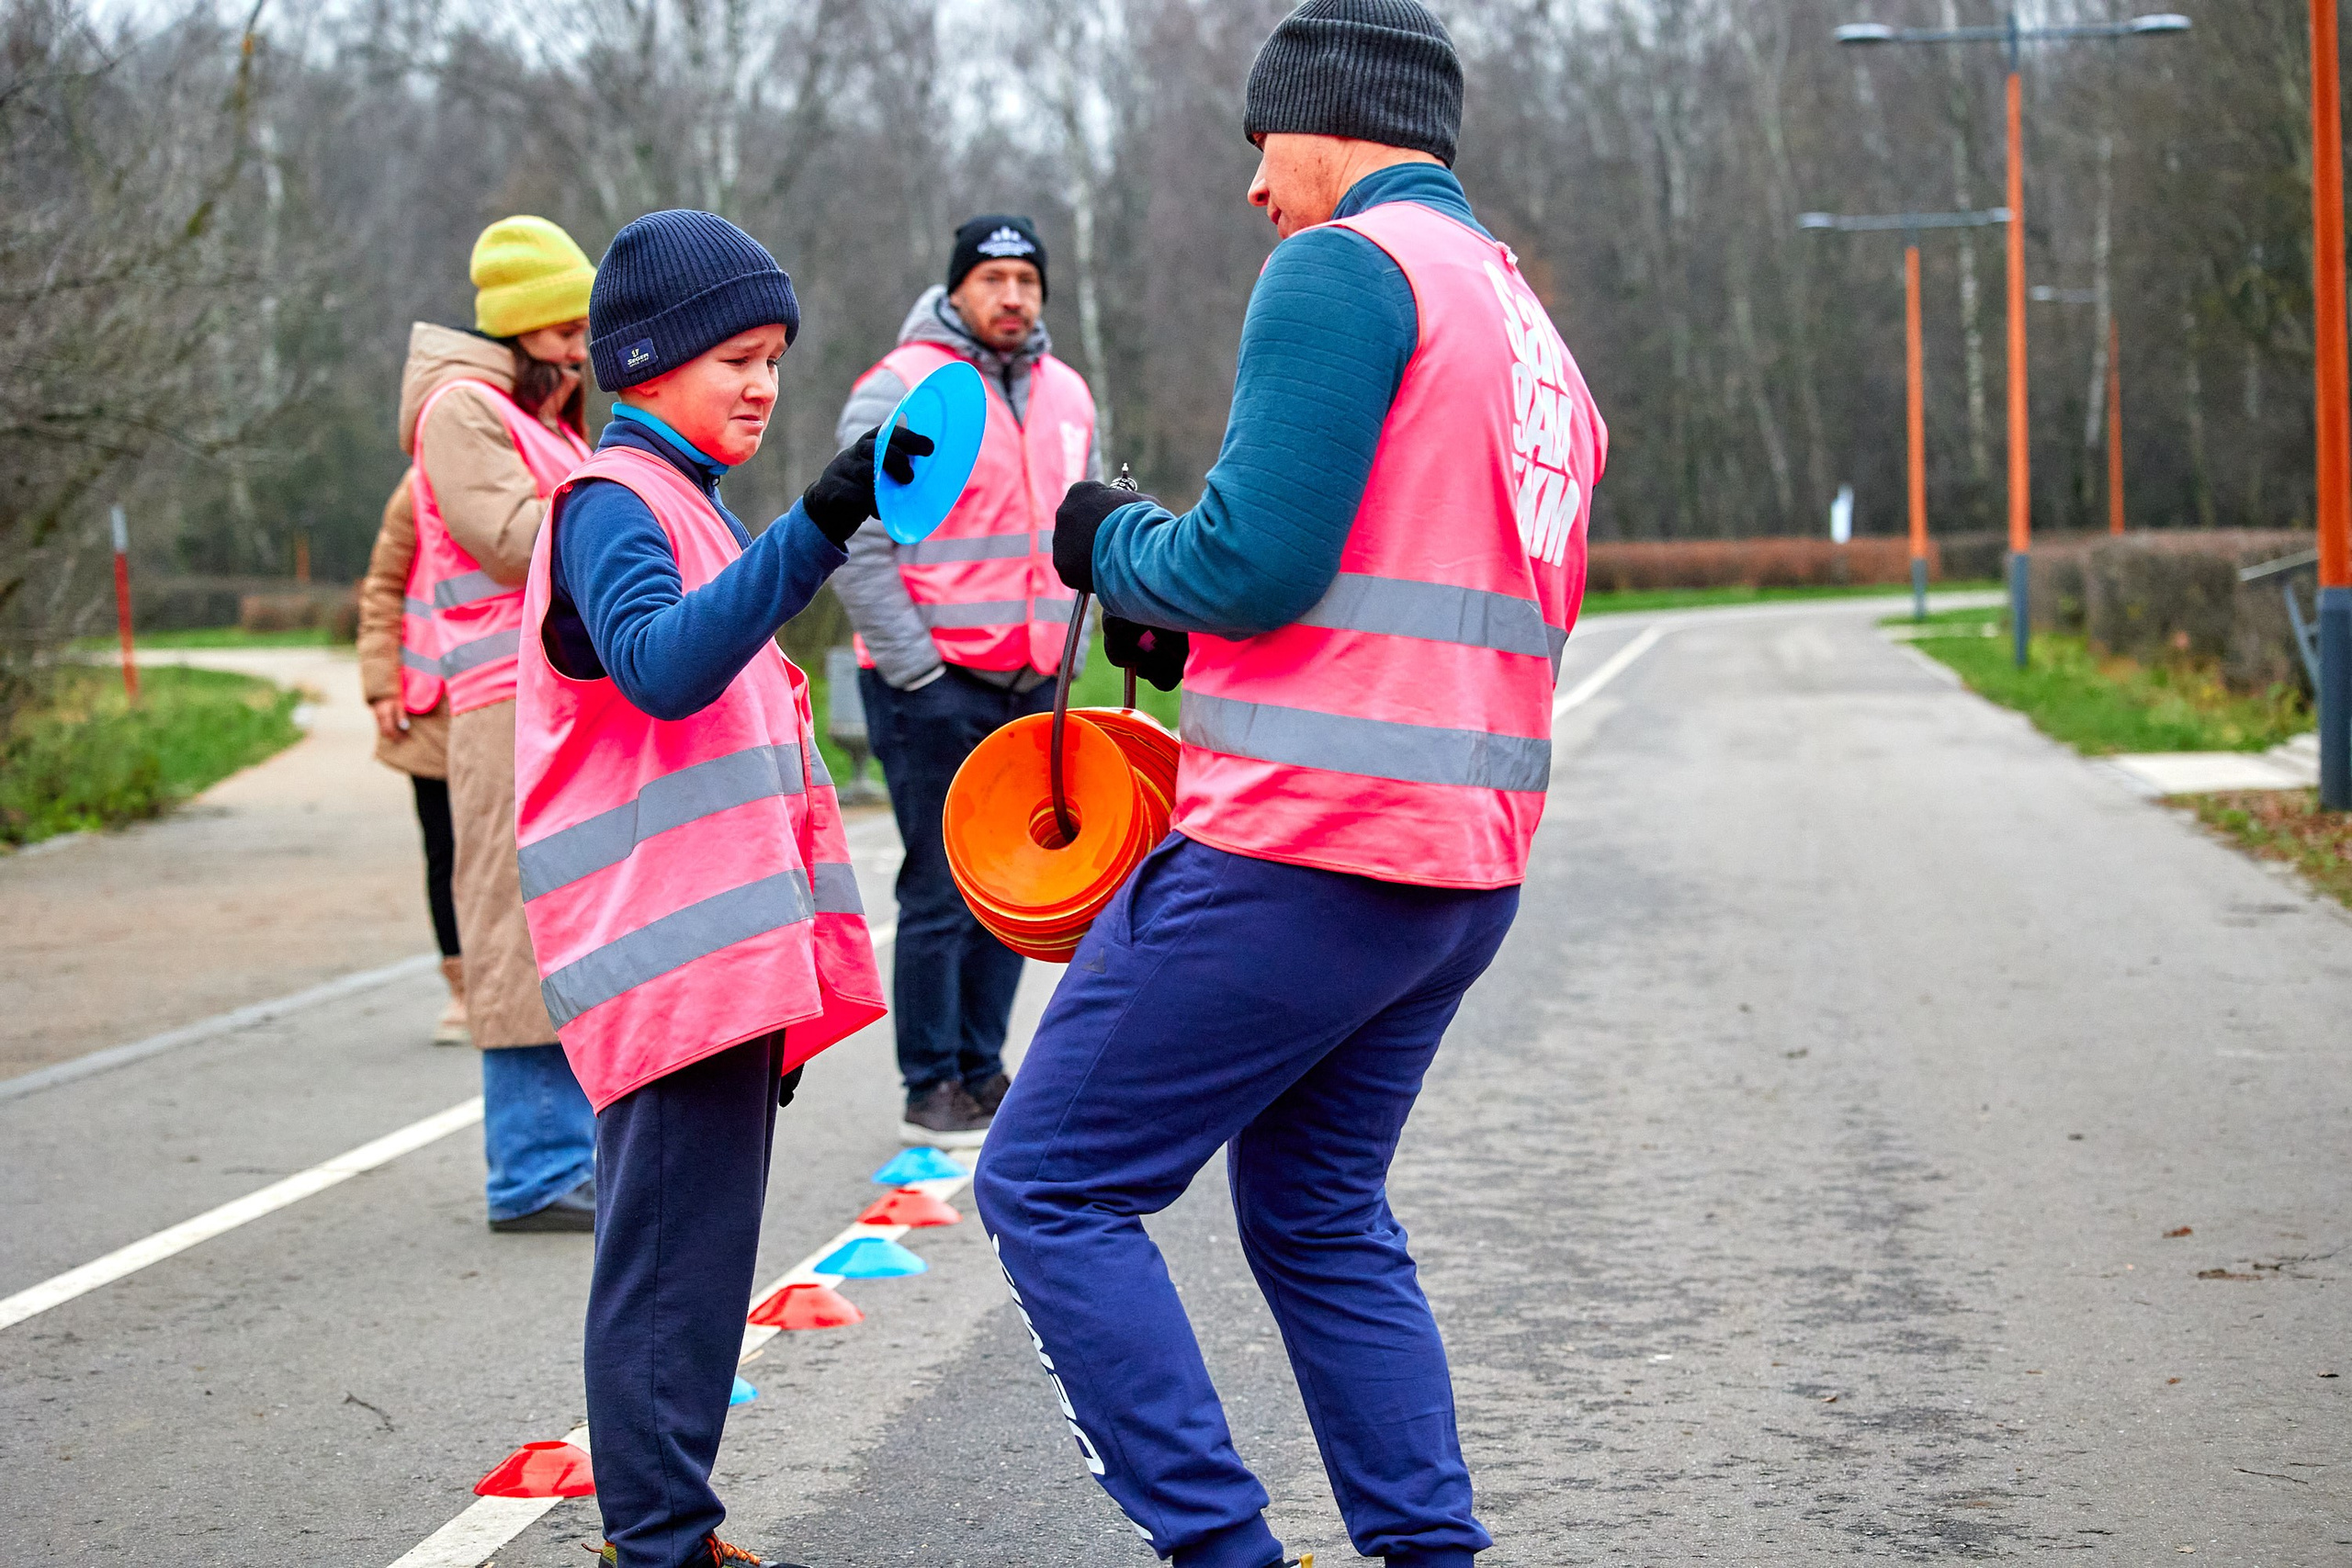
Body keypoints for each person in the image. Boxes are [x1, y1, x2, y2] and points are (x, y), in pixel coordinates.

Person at [973, 5, 1607, 1567]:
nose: (1258, 188)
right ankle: (1423, 1551)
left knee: (1049, 1186)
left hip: (1301, 849)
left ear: (1324, 120)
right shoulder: (1527, 326)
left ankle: (1222, 1548)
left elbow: (1248, 561)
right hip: (1460, 865)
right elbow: (1431, 593)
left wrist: (1107, 537)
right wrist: (1201, 639)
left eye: (1263, 144)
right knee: (1318, 1212)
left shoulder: (1343, 268)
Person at [514, 208, 924, 1568]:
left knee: (696, 1272)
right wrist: (815, 525)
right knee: (666, 1274)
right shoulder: (612, 503)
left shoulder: (683, 499)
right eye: (733, 357)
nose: (760, 382)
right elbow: (660, 665)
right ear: (642, 361)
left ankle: (675, 1530)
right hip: (661, 962)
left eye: (773, 359)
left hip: (718, 968)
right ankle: (658, 1543)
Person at [831, 213, 1102, 1148]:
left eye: (1026, 279)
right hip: (933, 682)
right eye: (992, 279)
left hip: (1036, 680)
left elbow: (1087, 528)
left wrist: (1074, 648)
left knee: (1014, 885)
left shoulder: (1068, 393)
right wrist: (915, 669)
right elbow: (853, 539)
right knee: (941, 884)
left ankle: (985, 1069)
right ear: (955, 290)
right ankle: (930, 1081)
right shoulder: (902, 388)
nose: (1012, 296)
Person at [398, 215, 601, 1231]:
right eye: (566, 330)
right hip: (498, 712)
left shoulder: (539, 411)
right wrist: (617, 509)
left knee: (567, 922)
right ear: (523, 328)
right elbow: (521, 541)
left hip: (551, 700)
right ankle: (532, 1171)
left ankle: (573, 1155)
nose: (581, 350)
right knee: (514, 931)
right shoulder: (463, 412)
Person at [356, 474, 467, 1043]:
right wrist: (381, 686)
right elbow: (383, 587)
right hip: (433, 702)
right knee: (445, 851)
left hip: (515, 701)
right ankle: (461, 986)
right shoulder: (418, 488)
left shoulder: (547, 457)